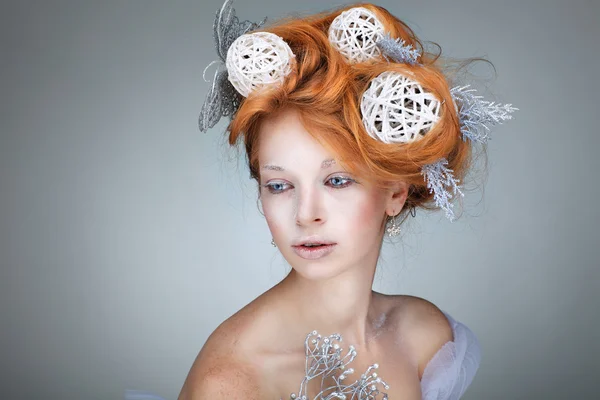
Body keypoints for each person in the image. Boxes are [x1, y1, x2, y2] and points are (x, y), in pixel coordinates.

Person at [128, 0, 516, 399]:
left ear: (395, 193)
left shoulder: (423, 337)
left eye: (337, 180)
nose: (305, 214)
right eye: (279, 185)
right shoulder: (232, 383)